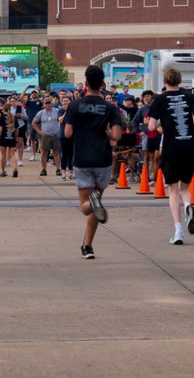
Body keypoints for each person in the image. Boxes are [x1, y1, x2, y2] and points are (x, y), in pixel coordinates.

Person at [63, 65, 123, 259]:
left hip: (82, 158)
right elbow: (116, 136)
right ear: (102, 84)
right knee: (95, 202)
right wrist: (104, 132)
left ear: (86, 84)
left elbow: (67, 133)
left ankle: (88, 241)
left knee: (85, 207)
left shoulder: (74, 105)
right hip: (103, 159)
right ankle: (87, 246)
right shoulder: (110, 107)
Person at [147, 67, 194, 245]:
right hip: (188, 145)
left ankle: (178, 231)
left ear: (164, 81)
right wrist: (193, 128)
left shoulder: (160, 99)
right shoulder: (189, 96)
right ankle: (188, 206)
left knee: (172, 189)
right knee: (184, 188)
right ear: (179, 80)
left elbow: (151, 126)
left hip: (171, 147)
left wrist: (157, 126)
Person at [32, 97, 62, 177]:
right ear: (44, 104)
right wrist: (39, 132)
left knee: (56, 152)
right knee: (44, 153)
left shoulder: (57, 111)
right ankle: (43, 169)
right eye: (46, 103)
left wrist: (60, 130)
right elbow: (34, 123)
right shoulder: (41, 113)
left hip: (55, 135)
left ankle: (58, 169)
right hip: (45, 136)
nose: (48, 104)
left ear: (52, 103)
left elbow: (62, 120)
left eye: (49, 103)